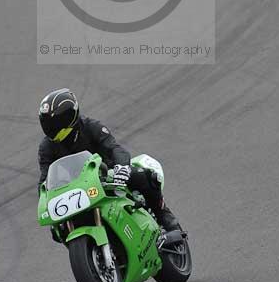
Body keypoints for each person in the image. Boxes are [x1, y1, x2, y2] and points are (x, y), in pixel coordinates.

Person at [38, 88, 180, 234]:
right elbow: (44, 180)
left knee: (144, 176)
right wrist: (45, 199)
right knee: (59, 230)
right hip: (77, 189)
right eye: (46, 123)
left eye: (53, 124)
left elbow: (115, 148)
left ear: (68, 118)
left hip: (109, 176)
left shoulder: (91, 127)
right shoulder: (46, 148)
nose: (49, 129)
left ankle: (163, 214)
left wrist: (122, 168)